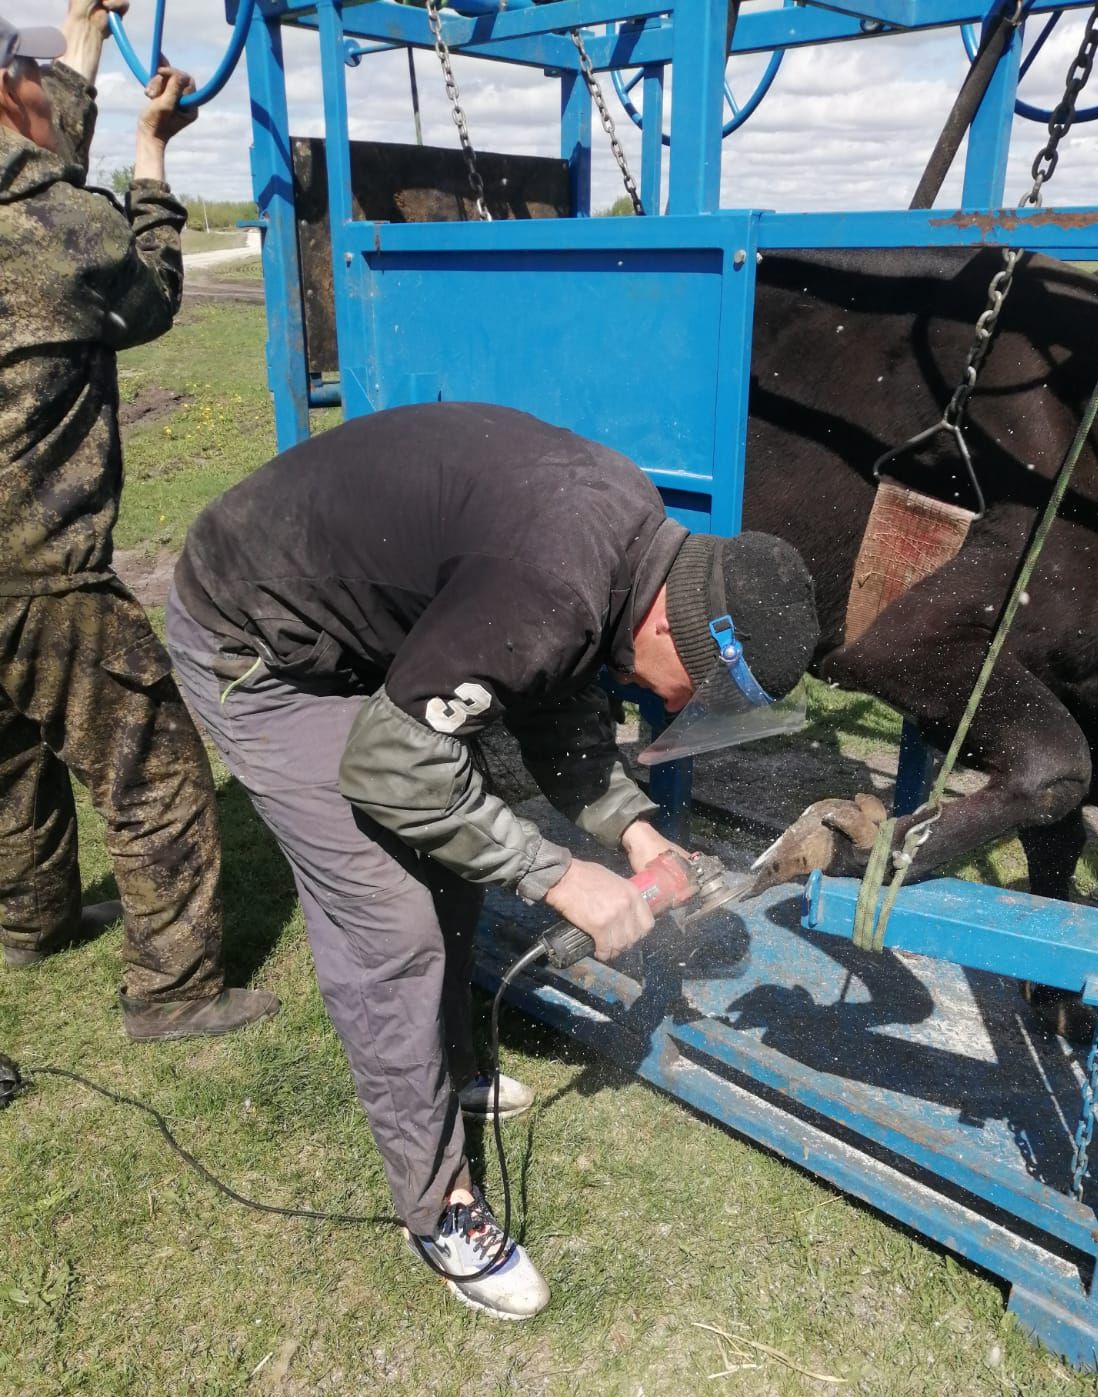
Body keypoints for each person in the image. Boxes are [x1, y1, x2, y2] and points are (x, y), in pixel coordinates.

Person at [166, 402, 819, 1319]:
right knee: (390, 919)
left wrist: (631, 829)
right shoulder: (556, 582)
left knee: (456, 855)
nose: (679, 710)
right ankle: (438, 1208)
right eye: (694, 696)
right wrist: (558, 874)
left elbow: (555, 689)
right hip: (261, 645)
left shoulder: (633, 538)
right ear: (677, 632)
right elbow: (391, 765)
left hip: (365, 631)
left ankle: (450, 1069)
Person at [0, 3, 278, 1041]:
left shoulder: (31, 208)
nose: (41, 86)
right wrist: (152, 163)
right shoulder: (56, 230)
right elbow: (150, 287)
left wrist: (79, 39)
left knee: (12, 750)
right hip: (39, 571)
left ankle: (32, 919)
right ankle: (176, 992)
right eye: (30, 72)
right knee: (151, 765)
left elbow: (37, 171)